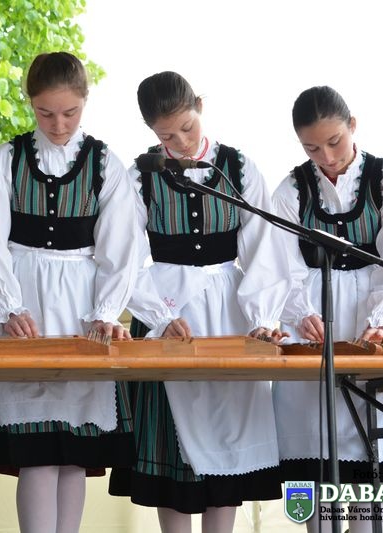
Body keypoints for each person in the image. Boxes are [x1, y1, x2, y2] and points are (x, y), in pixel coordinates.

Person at [108, 71, 290, 533]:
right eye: (166, 136)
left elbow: (264, 250)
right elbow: (123, 258)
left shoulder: (239, 168)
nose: (181, 142)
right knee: (171, 446)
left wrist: (264, 317)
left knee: (229, 434)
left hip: (230, 312)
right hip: (166, 311)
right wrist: (159, 316)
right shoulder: (139, 177)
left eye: (187, 128)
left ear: (201, 107)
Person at [0, 51, 138, 533]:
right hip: (22, 307)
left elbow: (121, 249)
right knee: (37, 451)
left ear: (85, 101)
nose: (59, 124)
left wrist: (106, 311)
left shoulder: (105, 164)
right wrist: (9, 306)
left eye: (70, 112)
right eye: (45, 113)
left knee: (74, 453)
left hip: (79, 311)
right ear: (31, 103)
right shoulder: (7, 159)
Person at [272, 85, 383, 532]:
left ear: (353, 126)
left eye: (334, 142)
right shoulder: (291, 190)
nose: (326, 157)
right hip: (316, 325)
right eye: (312, 148)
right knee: (315, 459)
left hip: (374, 319)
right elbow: (279, 266)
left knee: (371, 461)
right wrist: (299, 311)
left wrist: (382, 319)